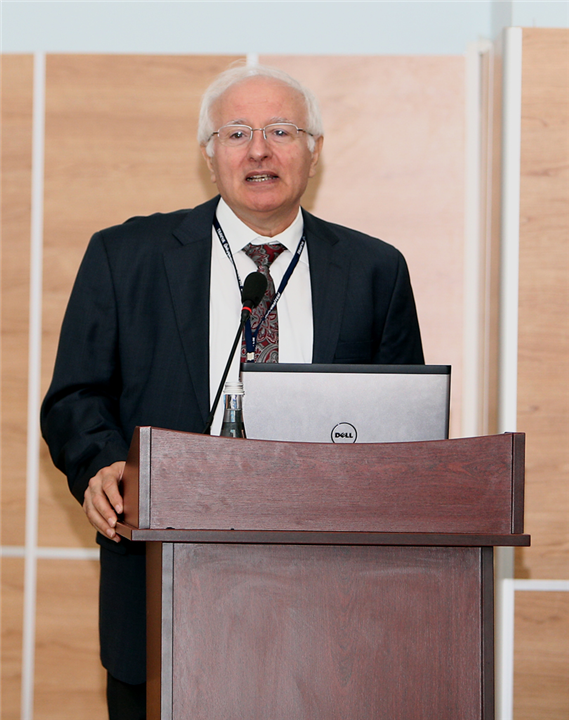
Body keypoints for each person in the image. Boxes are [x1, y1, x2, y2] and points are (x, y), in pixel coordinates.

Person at [41, 63, 424, 719]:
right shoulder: (126, 255)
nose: (258, 151)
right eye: (237, 132)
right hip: (161, 579)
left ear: (314, 150)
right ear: (209, 153)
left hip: (325, 597)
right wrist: (102, 462)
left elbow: (404, 430)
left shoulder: (373, 271)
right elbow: (75, 396)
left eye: (281, 131)